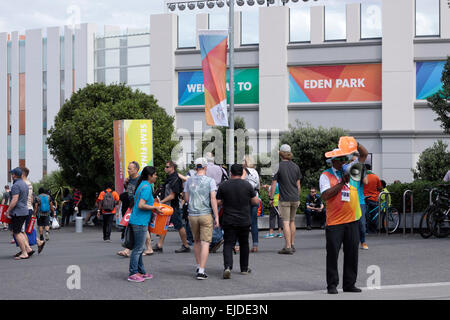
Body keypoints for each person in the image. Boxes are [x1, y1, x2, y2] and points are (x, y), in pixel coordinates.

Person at [320, 136, 368, 294]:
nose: (343, 161)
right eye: (340, 159)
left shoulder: (351, 170)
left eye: (344, 158)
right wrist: (341, 183)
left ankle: (349, 284)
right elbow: (325, 195)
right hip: (335, 222)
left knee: (352, 253)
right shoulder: (326, 175)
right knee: (333, 254)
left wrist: (355, 144)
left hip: (353, 219)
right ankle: (332, 285)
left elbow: (364, 155)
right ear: (333, 161)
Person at [217, 164, 259, 279]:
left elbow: (218, 202)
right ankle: (244, 268)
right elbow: (255, 202)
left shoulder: (224, 185)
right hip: (244, 219)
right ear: (242, 173)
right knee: (244, 243)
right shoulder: (247, 185)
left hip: (229, 219)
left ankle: (227, 267)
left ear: (231, 173)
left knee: (228, 243)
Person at [184, 157, 219, 280]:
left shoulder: (188, 181)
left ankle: (198, 265)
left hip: (192, 215)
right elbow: (213, 199)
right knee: (205, 243)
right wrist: (217, 216)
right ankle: (201, 271)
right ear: (205, 167)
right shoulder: (210, 181)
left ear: (195, 167)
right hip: (205, 214)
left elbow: (187, 199)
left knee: (197, 241)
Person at [127, 166, 162, 282]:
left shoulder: (142, 184)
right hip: (139, 222)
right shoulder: (147, 187)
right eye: (155, 174)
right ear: (149, 176)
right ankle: (133, 273)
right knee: (138, 249)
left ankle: (141, 272)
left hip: (136, 220)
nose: (156, 176)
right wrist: (154, 208)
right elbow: (141, 205)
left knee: (139, 248)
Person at [269, 144, 302, 255]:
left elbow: (274, 185)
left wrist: (271, 197)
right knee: (292, 221)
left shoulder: (277, 167)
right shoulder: (296, 167)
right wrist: (298, 196)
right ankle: (292, 244)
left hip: (285, 198)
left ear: (280, 154)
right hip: (295, 198)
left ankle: (287, 247)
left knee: (286, 222)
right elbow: (298, 185)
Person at [153, 160, 190, 254]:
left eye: (167, 167)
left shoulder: (175, 179)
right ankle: (159, 245)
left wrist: (161, 201)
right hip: (167, 206)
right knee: (163, 225)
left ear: (172, 168)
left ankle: (186, 245)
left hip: (173, 207)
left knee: (179, 226)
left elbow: (172, 195)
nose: (165, 168)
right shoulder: (170, 178)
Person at [5, 168, 39, 259]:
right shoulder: (25, 184)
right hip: (25, 210)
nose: (11, 175)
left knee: (16, 232)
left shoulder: (16, 185)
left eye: (12, 174)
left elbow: (14, 199)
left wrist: (8, 210)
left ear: (15, 175)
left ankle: (24, 253)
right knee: (21, 231)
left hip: (18, 212)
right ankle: (28, 249)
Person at [205, 152, 226, 253]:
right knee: (215, 216)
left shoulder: (204, 169)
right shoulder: (220, 169)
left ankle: (216, 238)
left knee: (209, 218)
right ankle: (215, 240)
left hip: (208, 195)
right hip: (219, 195)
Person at [21, 167, 46, 254]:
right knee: (28, 229)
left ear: (23, 174)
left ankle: (27, 249)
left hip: (25, 209)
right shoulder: (29, 183)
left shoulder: (24, 183)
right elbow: (31, 199)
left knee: (23, 230)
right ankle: (33, 245)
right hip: (29, 208)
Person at [241, 155, 260, 253]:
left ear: (246, 161)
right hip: (255, 197)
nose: (241, 162)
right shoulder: (256, 172)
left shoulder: (245, 171)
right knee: (254, 222)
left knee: (242, 222)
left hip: (246, 199)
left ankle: (238, 245)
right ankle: (255, 245)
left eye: (243, 160)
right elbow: (257, 186)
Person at [351, 155, 369, 250]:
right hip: (348, 201)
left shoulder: (361, 171)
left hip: (359, 201)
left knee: (361, 223)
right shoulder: (347, 171)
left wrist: (362, 172)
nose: (354, 163)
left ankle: (363, 241)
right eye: (352, 161)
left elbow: (366, 182)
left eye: (356, 161)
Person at [363, 165, 383, 234]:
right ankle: (373, 231)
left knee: (365, 215)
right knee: (374, 216)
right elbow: (380, 188)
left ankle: (365, 230)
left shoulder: (362, 177)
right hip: (374, 198)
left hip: (364, 199)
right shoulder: (375, 177)